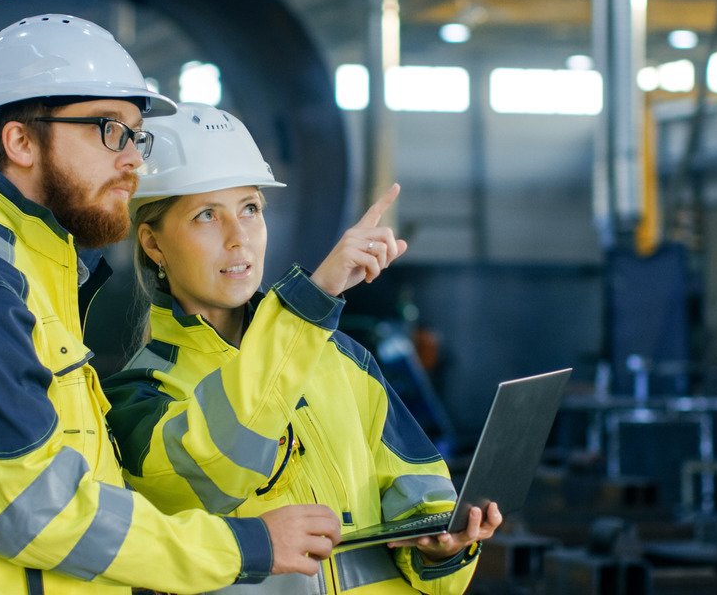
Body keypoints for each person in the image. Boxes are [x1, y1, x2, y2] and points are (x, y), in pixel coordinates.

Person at [0, 15, 340, 595]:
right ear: (20, 142)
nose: (133, 160)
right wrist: (245, 545)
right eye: (108, 129)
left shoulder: (33, 275)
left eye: (135, 135)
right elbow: (33, 511)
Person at [103, 102, 502, 594]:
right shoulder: (139, 397)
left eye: (250, 209)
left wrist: (444, 546)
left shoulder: (343, 360)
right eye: (206, 216)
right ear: (153, 244)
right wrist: (315, 297)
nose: (238, 238)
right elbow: (215, 467)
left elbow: (422, 496)